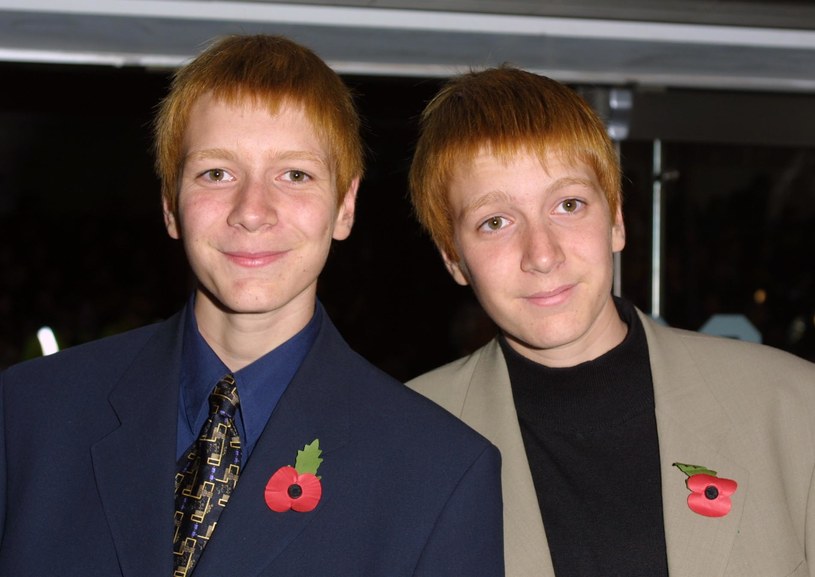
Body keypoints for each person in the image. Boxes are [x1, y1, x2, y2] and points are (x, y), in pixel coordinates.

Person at [0, 35, 503, 577]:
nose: (253, 211)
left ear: (344, 206)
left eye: (295, 175)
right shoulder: (28, 418)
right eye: (217, 173)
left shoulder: (439, 472)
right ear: (171, 205)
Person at [407, 65, 815, 577]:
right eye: (495, 222)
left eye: (569, 204)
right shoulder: (403, 443)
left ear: (616, 221)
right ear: (452, 257)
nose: (542, 254)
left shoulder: (795, 410)